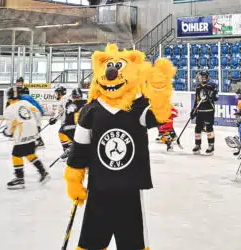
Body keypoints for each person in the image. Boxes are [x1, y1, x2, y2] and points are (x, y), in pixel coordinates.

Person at [64, 44, 175, 250]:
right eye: (107, 67)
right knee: (91, 242)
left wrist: (159, 90)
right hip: (99, 190)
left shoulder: (137, 109)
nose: (111, 73)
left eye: (118, 68)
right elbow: (79, 149)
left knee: (132, 242)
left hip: (129, 190)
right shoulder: (90, 111)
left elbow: (160, 115)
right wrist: (74, 179)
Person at [3, 87, 50, 189]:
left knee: (16, 154)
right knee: (29, 153)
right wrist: (37, 125)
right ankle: (43, 172)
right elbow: (37, 111)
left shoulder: (8, 110)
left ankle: (20, 179)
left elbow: (10, 126)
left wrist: (7, 132)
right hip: (33, 130)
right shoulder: (25, 102)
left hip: (22, 132)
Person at [190, 70, 219, 155]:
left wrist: (212, 95)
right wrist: (194, 110)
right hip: (200, 110)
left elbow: (216, 97)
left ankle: (211, 145)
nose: (202, 78)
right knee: (198, 128)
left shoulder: (212, 85)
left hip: (209, 110)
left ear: (207, 76)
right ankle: (197, 145)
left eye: (203, 76)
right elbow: (197, 99)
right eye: (201, 76)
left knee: (209, 128)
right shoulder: (198, 86)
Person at [48, 86, 74, 151]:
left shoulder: (63, 100)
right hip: (72, 122)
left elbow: (59, 111)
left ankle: (67, 152)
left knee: (62, 134)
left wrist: (54, 119)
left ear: (60, 93)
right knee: (69, 137)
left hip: (67, 123)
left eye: (56, 93)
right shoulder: (66, 99)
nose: (55, 95)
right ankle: (70, 152)